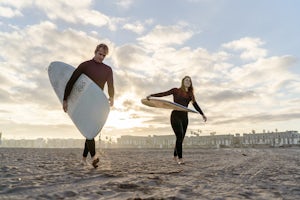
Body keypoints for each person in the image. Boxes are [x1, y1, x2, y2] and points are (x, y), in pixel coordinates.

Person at [63, 43, 114, 168]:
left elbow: (110, 85)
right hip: (84, 103)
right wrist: (65, 99)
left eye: (104, 55)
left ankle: (83, 159)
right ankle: (94, 157)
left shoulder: (108, 69)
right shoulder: (85, 65)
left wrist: (112, 97)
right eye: (99, 54)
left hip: (97, 104)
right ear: (95, 51)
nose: (101, 57)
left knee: (90, 131)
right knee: (89, 130)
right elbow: (72, 81)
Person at [147, 76, 207, 164]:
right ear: (183, 82)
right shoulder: (176, 90)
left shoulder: (190, 95)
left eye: (189, 81)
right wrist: (152, 95)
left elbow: (195, 105)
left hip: (184, 118)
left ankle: (175, 155)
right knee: (179, 135)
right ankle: (180, 159)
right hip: (175, 116)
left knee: (181, 138)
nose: (188, 82)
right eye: (186, 80)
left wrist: (202, 114)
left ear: (190, 84)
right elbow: (164, 93)